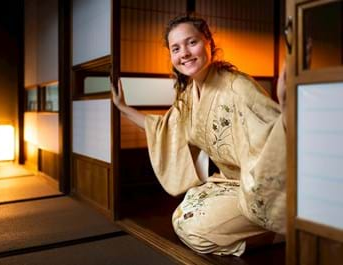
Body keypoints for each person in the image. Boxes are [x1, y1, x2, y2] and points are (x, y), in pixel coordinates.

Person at [111, 15, 287, 256]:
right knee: (184, 214)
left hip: (253, 185)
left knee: (193, 230)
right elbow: (164, 129)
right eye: (176, 48)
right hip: (228, 181)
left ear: (209, 44)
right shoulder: (188, 94)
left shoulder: (238, 87)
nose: (184, 53)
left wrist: (289, 107)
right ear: (172, 57)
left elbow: (277, 131)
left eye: (191, 42)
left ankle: (280, 233)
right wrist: (124, 108)